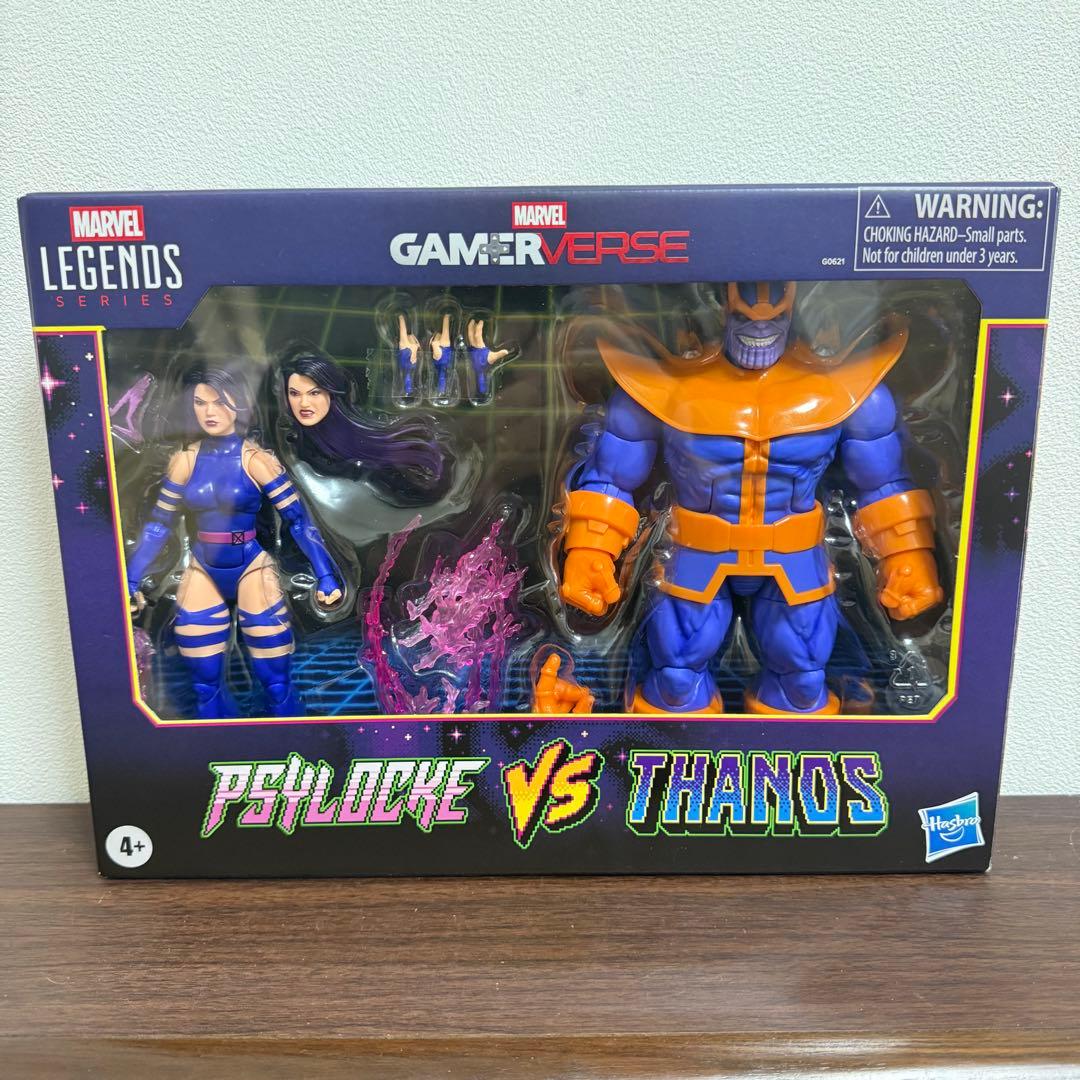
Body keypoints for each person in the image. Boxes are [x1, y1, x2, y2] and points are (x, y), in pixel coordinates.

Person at [126, 365, 344, 719]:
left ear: (237, 404)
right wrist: (131, 578)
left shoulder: (257, 461)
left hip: (251, 566)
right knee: (204, 684)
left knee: (275, 682)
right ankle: (216, 746)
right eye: (200, 402)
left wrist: (327, 575)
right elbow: (158, 525)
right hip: (202, 568)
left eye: (219, 402)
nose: (209, 412)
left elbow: (298, 521)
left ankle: (290, 738)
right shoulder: (184, 461)